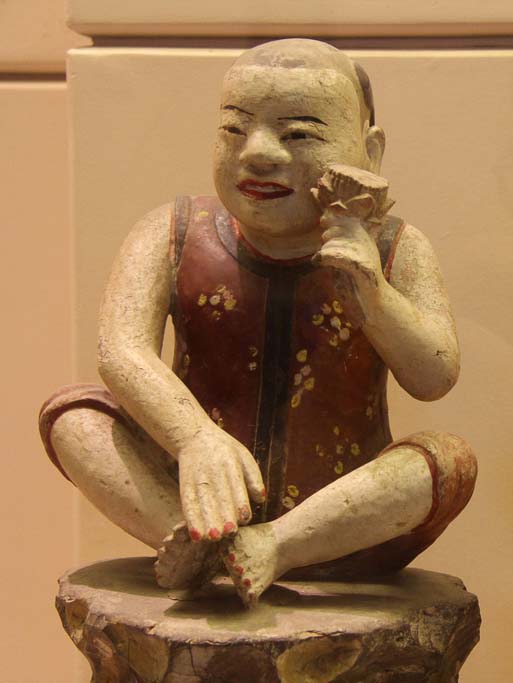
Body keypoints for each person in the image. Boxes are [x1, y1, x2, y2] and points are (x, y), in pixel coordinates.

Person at [39, 39, 476, 607]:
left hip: (342, 526)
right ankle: (195, 540)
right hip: (193, 493)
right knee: (73, 418)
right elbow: (121, 350)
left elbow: (434, 376)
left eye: (298, 135)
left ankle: (275, 544)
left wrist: (372, 294)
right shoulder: (172, 232)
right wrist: (194, 439)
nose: (258, 154)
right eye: (234, 129)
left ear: (370, 151)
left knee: (448, 461)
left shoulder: (394, 248)